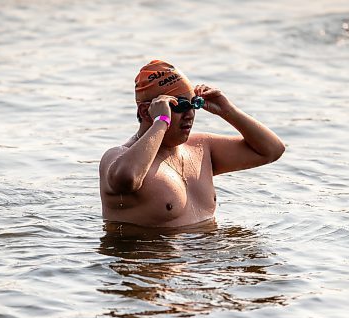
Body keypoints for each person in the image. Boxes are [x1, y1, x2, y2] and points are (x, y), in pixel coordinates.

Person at [99, 60, 285, 228]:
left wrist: (229, 111)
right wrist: (162, 121)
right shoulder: (117, 157)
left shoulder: (201, 148)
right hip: (156, 262)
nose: (190, 114)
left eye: (194, 104)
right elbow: (127, 179)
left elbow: (272, 150)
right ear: (146, 111)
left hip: (205, 259)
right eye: (179, 105)